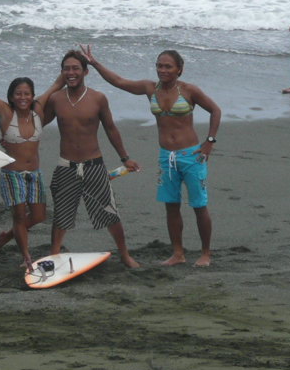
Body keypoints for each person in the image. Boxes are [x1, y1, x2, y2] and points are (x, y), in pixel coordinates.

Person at [81, 45, 221, 267]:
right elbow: (119, 81)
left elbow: (215, 110)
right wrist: (94, 63)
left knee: (198, 205)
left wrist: (209, 142)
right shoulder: (150, 88)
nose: (162, 70)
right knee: (171, 205)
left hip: (191, 156)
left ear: (179, 69)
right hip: (167, 157)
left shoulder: (188, 90)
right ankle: (178, 253)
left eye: (168, 66)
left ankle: (205, 254)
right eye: (159, 66)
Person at [43, 50, 140, 268]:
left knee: (109, 211)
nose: (71, 72)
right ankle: (54, 254)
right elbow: (37, 123)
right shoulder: (56, 99)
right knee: (61, 214)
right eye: (66, 69)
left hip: (94, 165)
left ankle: (125, 254)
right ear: (61, 73)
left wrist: (125, 158)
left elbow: (111, 129)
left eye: (75, 68)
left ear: (85, 72)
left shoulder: (98, 98)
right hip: (66, 166)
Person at [0, 73, 64, 270]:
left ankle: (7, 236)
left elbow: (56, 84)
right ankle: (26, 256)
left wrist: (79, 67)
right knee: (19, 216)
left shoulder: (38, 110)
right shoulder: (6, 113)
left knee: (39, 215)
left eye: (27, 93)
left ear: (32, 95)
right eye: (18, 94)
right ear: (11, 96)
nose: (23, 97)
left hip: (35, 174)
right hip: (13, 175)